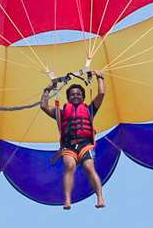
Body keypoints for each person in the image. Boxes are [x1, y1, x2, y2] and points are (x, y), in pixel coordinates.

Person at [40, 67, 107, 210]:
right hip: (68, 146)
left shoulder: (89, 110)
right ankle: (68, 199)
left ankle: (100, 197)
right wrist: (48, 90)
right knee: (69, 166)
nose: (75, 96)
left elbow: (101, 93)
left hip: (85, 144)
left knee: (89, 166)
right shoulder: (62, 113)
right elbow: (44, 106)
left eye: (78, 94)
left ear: (83, 97)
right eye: (72, 95)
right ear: (68, 98)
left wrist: (100, 77)